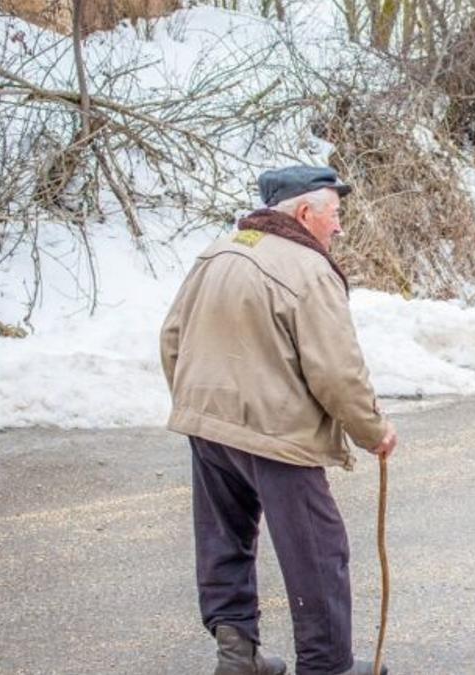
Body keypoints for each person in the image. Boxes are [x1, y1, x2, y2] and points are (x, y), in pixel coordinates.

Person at [160, 166, 396, 675]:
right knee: (317, 552)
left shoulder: (219, 252)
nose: (338, 228)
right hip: (276, 434)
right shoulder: (308, 270)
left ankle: (236, 654)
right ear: (305, 212)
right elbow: (337, 372)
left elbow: (172, 337)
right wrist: (373, 431)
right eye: (334, 215)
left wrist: (198, 402)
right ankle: (327, 666)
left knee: (225, 539)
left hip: (208, 425)